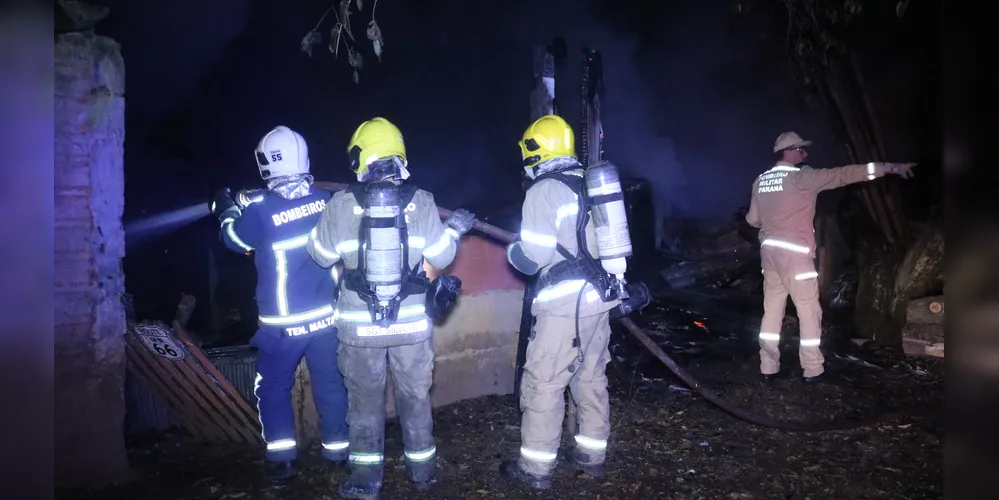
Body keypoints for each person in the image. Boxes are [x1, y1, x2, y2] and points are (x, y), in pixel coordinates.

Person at [307, 117, 476, 500]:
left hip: (358, 328)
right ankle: (423, 473)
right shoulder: (424, 201)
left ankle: (367, 483)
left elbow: (319, 255)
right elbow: (443, 256)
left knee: (364, 405)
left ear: (361, 155)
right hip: (411, 327)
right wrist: (454, 230)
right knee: (415, 398)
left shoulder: (341, 202)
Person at [210, 125, 349, 482]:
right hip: (325, 319)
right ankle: (338, 454)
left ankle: (282, 459)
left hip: (282, 325)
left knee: (272, 387)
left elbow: (234, 240)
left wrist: (225, 210)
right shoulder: (326, 201)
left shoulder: (259, 213)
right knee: (331, 385)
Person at [500, 114, 624, 490]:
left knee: (544, 383)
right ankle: (592, 455)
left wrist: (512, 252)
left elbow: (533, 256)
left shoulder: (544, 190)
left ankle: (535, 470)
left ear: (536, 149)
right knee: (589, 376)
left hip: (564, 306)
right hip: (600, 299)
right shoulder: (590, 182)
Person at [745, 131, 916, 384]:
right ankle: (813, 370)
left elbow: (752, 220)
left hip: (770, 255)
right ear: (790, 151)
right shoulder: (803, 178)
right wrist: (890, 168)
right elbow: (845, 174)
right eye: (802, 150)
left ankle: (768, 367)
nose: (805, 155)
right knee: (808, 312)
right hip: (796, 255)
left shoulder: (760, 181)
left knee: (771, 311)